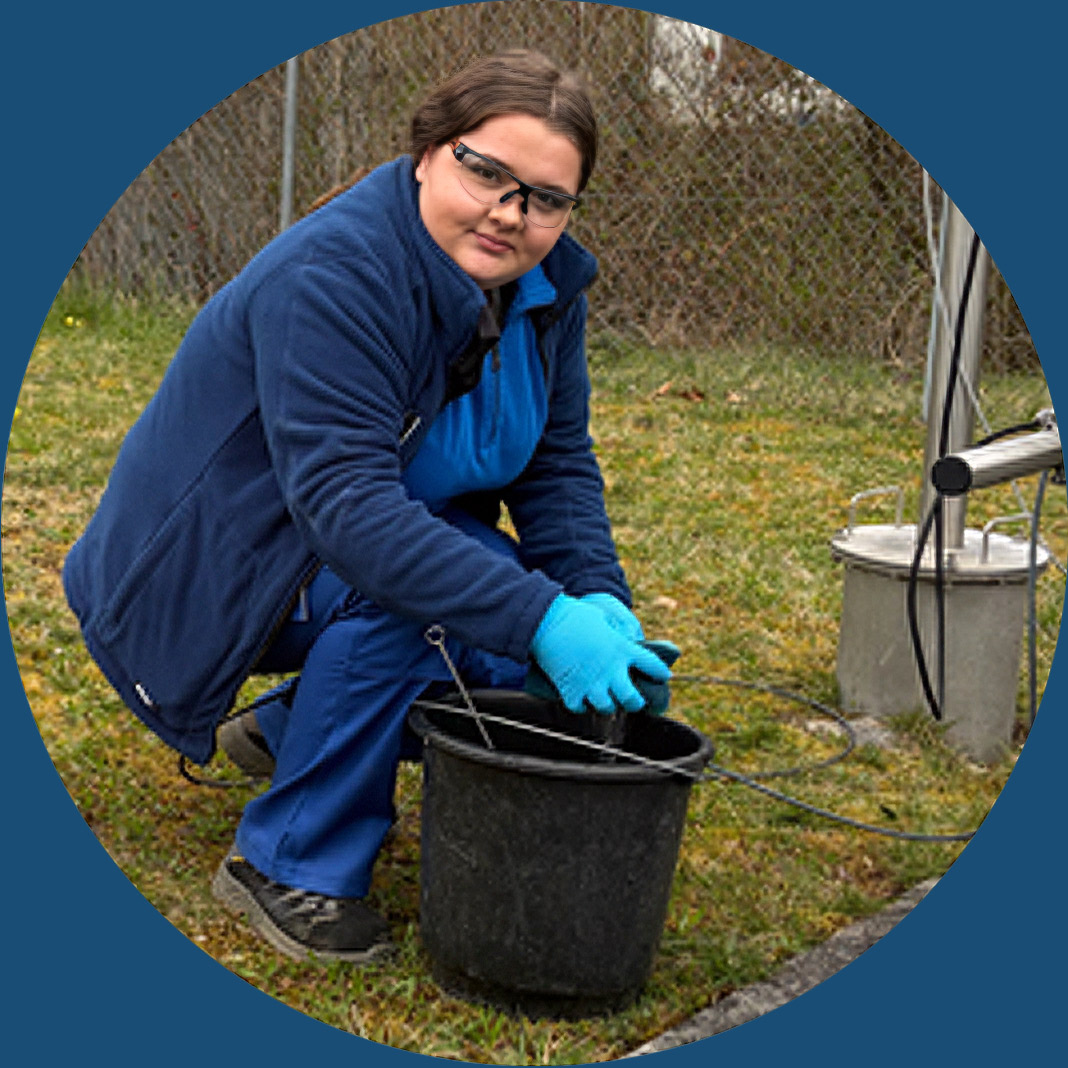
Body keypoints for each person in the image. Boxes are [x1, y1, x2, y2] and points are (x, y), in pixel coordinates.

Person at [62, 49, 673, 964]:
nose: (512, 213)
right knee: (436, 610)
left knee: (509, 615)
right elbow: (348, 511)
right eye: (486, 173)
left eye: (547, 198)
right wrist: (542, 619)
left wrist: (595, 598)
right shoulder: (335, 276)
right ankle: (288, 863)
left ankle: (291, 728)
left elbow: (554, 465)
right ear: (429, 152)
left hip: (326, 554)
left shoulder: (545, 292)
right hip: (201, 575)